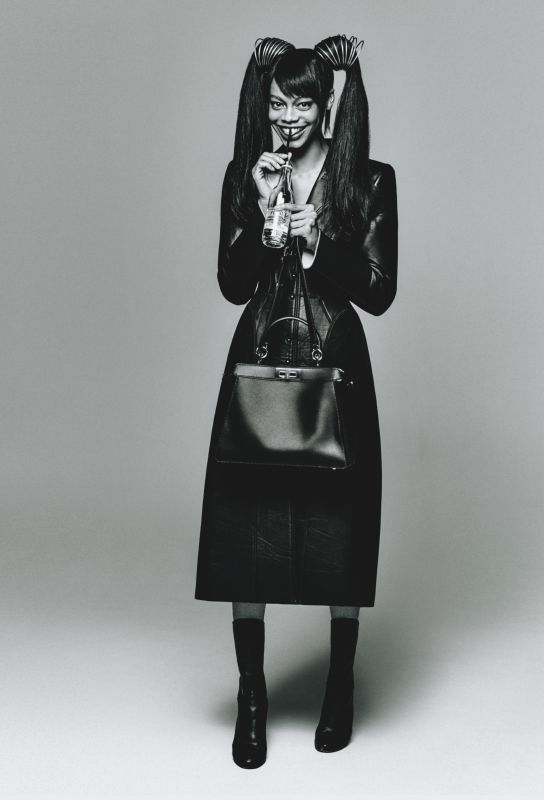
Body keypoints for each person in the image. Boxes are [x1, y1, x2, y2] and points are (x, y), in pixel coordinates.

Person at [195, 34, 398, 768]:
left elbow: (378, 291)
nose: (286, 117)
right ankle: (251, 694)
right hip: (260, 358)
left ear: (326, 106)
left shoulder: (368, 180)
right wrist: (261, 212)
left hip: (335, 365)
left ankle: (339, 683)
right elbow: (232, 283)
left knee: (339, 527)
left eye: (301, 104)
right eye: (277, 103)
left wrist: (318, 246)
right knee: (244, 526)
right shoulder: (246, 171)